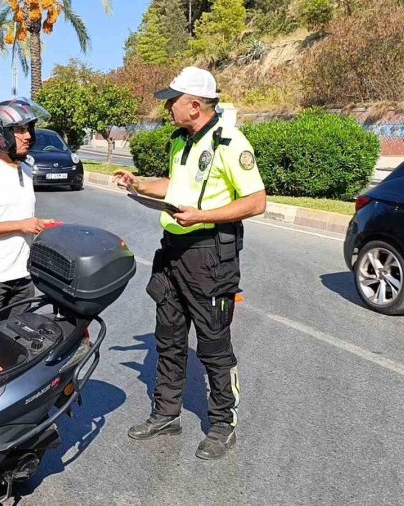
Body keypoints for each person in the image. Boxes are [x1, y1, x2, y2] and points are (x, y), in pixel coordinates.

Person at [114, 67, 267, 460]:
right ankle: (166, 413)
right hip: (173, 252)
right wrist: (139, 184)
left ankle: (222, 424)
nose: (167, 107)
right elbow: (176, 185)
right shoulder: (180, 140)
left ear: (195, 105)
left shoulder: (230, 143)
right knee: (168, 337)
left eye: (173, 101)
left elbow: (256, 201)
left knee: (214, 346)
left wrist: (202, 216)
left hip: (210, 255)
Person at [0, 98, 54, 328]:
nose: (28, 136)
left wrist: (38, 224)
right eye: (20, 130)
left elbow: (18, 214)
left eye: (29, 129)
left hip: (23, 275)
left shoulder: (26, 169)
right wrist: (21, 225)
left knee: (18, 340)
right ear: (1, 133)